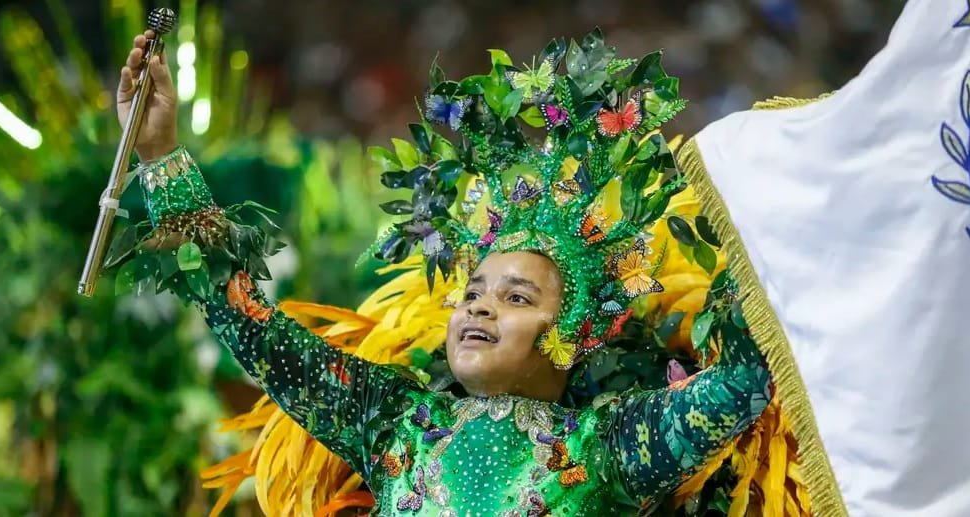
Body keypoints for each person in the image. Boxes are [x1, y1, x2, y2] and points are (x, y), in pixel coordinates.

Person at [115, 28, 772, 515]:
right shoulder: (393, 423)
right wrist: (160, 155)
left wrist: (775, 203)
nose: (481, 308)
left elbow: (747, 377)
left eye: (516, 296)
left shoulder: (609, 447)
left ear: (567, 331)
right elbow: (249, 321)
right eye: (474, 292)